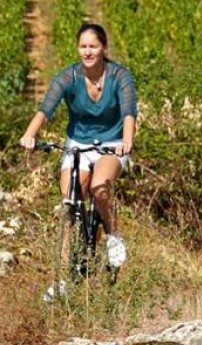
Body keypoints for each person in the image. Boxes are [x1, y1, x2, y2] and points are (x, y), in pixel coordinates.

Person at [20, 22, 137, 299]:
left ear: (103, 48)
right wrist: (29, 135)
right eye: (83, 46)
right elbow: (45, 109)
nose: (88, 51)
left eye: (93, 46)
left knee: (99, 188)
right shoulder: (67, 77)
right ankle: (61, 280)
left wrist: (127, 140)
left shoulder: (120, 76)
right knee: (69, 202)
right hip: (77, 144)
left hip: (111, 143)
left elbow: (129, 111)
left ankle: (113, 237)